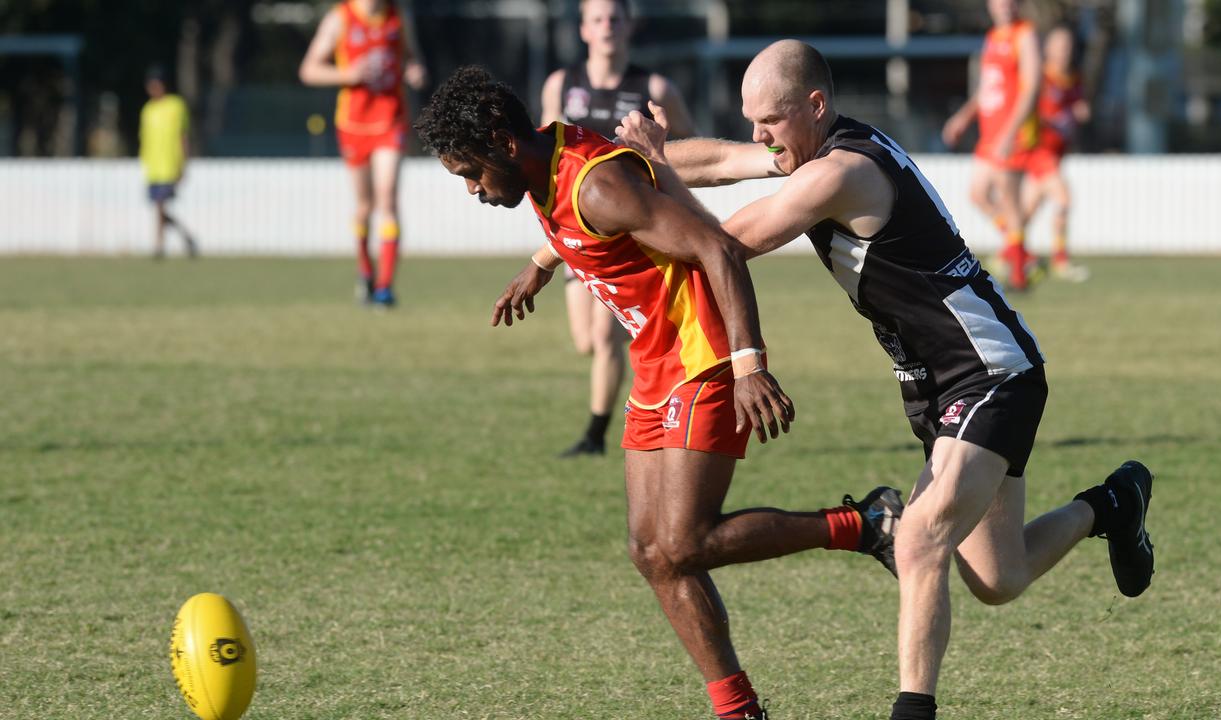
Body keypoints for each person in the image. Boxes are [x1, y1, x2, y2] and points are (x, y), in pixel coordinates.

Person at [616, 40, 1155, 720]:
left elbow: (725, 244)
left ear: (814, 105)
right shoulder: (810, 145)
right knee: (998, 575)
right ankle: (1111, 505)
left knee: (920, 536)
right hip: (937, 386)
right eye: (754, 122)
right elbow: (721, 159)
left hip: (989, 371)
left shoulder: (842, 171)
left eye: (770, 122)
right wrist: (638, 161)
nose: (760, 137)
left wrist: (652, 178)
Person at [417, 65, 904, 720]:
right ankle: (739, 711)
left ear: (505, 144)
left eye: (471, 174)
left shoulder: (597, 187)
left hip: (701, 355)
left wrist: (749, 364)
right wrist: (539, 266)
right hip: (656, 364)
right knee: (651, 554)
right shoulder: (543, 158)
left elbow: (716, 250)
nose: (475, 191)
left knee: (683, 543)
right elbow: (584, 228)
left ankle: (867, 525)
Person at [539, 0, 697, 456]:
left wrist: (659, 161)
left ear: (630, 26)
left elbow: (685, 144)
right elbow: (545, 147)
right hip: (575, 230)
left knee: (607, 338)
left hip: (628, 231)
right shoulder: (561, 85)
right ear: (584, 30)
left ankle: (594, 435)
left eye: (614, 18)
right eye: (597, 19)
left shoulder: (653, 86)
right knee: (586, 342)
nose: (607, 26)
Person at [299, 0, 426, 307]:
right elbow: (309, 70)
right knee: (365, 205)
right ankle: (365, 270)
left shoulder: (398, 15)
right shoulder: (340, 18)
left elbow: (411, 56)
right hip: (354, 123)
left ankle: (385, 286)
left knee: (388, 199)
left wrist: (414, 69)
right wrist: (348, 74)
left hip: (391, 119)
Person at [942, 0, 1041, 291]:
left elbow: (1032, 86)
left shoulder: (1025, 35)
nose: (1005, 6)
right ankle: (1021, 252)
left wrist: (1011, 132)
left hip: (1011, 133)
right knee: (978, 193)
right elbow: (987, 89)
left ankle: (1020, 274)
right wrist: (963, 117)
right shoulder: (992, 38)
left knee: (1009, 201)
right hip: (990, 133)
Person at [1020, 25, 1091, 282]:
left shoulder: (1073, 79)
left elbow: (1073, 108)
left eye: (1068, 47)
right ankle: (1060, 260)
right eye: (1060, 46)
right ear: (1047, 48)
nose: (1064, 52)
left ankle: (1011, 255)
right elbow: (1038, 113)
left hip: (1056, 154)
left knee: (1025, 213)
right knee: (1064, 199)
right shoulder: (1040, 78)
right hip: (1041, 153)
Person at [139, 65, 198, 260]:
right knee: (159, 207)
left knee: (160, 206)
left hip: (170, 165)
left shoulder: (176, 106)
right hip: (153, 168)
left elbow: (183, 136)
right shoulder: (147, 110)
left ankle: (159, 246)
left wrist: (184, 163)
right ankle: (186, 237)